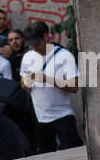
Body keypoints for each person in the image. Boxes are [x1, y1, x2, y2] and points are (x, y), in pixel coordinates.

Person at [19, 22, 82, 153]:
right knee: (45, 159)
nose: (34, 47)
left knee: (73, 156)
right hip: (40, 118)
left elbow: (74, 86)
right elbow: (23, 83)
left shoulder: (64, 56)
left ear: (46, 37)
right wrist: (26, 84)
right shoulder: (27, 56)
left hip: (63, 116)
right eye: (31, 44)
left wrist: (47, 79)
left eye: (36, 43)